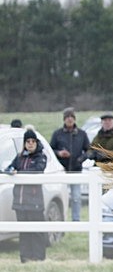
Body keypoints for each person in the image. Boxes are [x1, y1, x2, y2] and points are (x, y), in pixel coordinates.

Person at [4, 130, 48, 262]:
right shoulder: (19, 157)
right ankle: (25, 257)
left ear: (36, 142)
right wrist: (11, 171)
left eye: (32, 141)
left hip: (34, 201)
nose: (30, 144)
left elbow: (38, 170)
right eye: (27, 141)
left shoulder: (41, 156)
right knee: (23, 232)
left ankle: (38, 257)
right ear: (24, 143)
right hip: (20, 202)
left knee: (37, 231)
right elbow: (9, 168)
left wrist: (19, 172)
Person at [50, 107, 90, 221]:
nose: (69, 119)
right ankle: (61, 220)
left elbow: (89, 150)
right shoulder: (57, 134)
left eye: (71, 117)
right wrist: (59, 153)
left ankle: (76, 220)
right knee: (61, 197)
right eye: (67, 117)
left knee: (76, 197)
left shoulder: (82, 134)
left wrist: (81, 159)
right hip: (61, 170)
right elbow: (50, 149)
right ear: (64, 119)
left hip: (76, 170)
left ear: (74, 119)